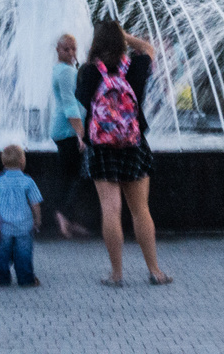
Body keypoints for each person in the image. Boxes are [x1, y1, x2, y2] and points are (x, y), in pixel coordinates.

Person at [75, 19, 173, 286]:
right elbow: (149, 48)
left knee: (110, 210)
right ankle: (155, 271)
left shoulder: (88, 72)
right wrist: (127, 36)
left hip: (102, 147)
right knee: (141, 210)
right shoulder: (138, 66)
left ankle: (116, 274)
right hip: (134, 143)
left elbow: (83, 101)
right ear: (121, 41)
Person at [49, 33, 90, 239]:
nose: (71, 53)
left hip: (65, 131)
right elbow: (69, 104)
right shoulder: (65, 72)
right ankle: (62, 215)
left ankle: (69, 218)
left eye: (74, 48)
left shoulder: (64, 69)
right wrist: (80, 133)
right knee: (73, 177)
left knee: (71, 176)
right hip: (67, 132)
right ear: (57, 50)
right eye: (66, 49)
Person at [0, 144, 43, 287]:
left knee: (3, 252)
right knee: (24, 253)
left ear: (3, 163)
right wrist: (37, 220)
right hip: (24, 225)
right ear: (22, 162)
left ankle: (2, 277)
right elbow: (35, 203)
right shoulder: (28, 181)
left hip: (4, 224)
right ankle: (26, 279)